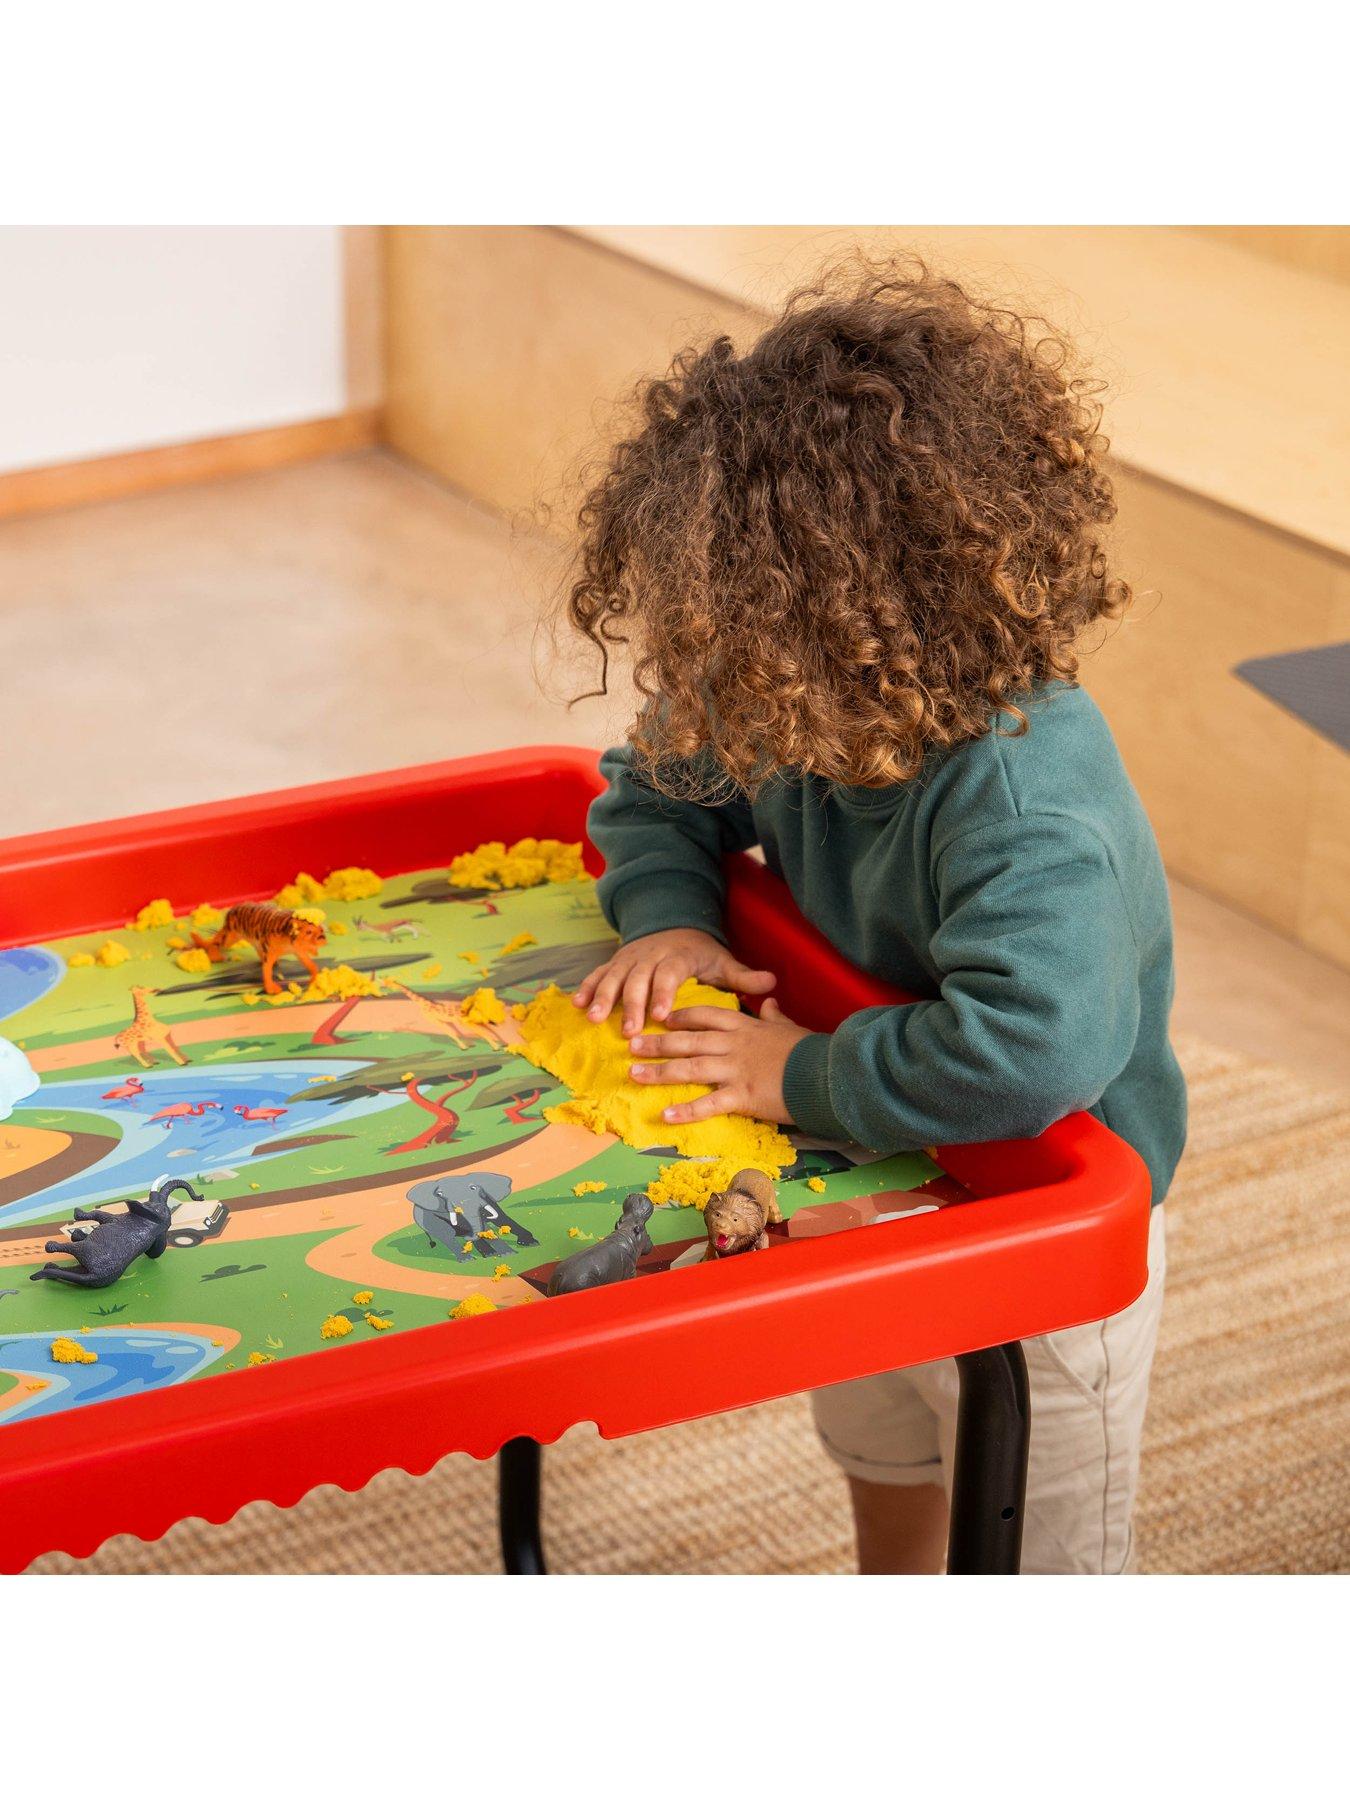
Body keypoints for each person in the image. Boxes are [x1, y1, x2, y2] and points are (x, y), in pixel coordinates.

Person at [564, 259, 1185, 1574]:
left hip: (1041, 1241)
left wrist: (799, 1073)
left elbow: (1035, 1052)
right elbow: (650, 789)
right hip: (870, 1184)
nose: (705, 683)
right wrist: (669, 918)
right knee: (885, 1448)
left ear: (855, 629)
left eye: (730, 645)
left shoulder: (1023, 797)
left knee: (1030, 1555)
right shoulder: (787, 698)